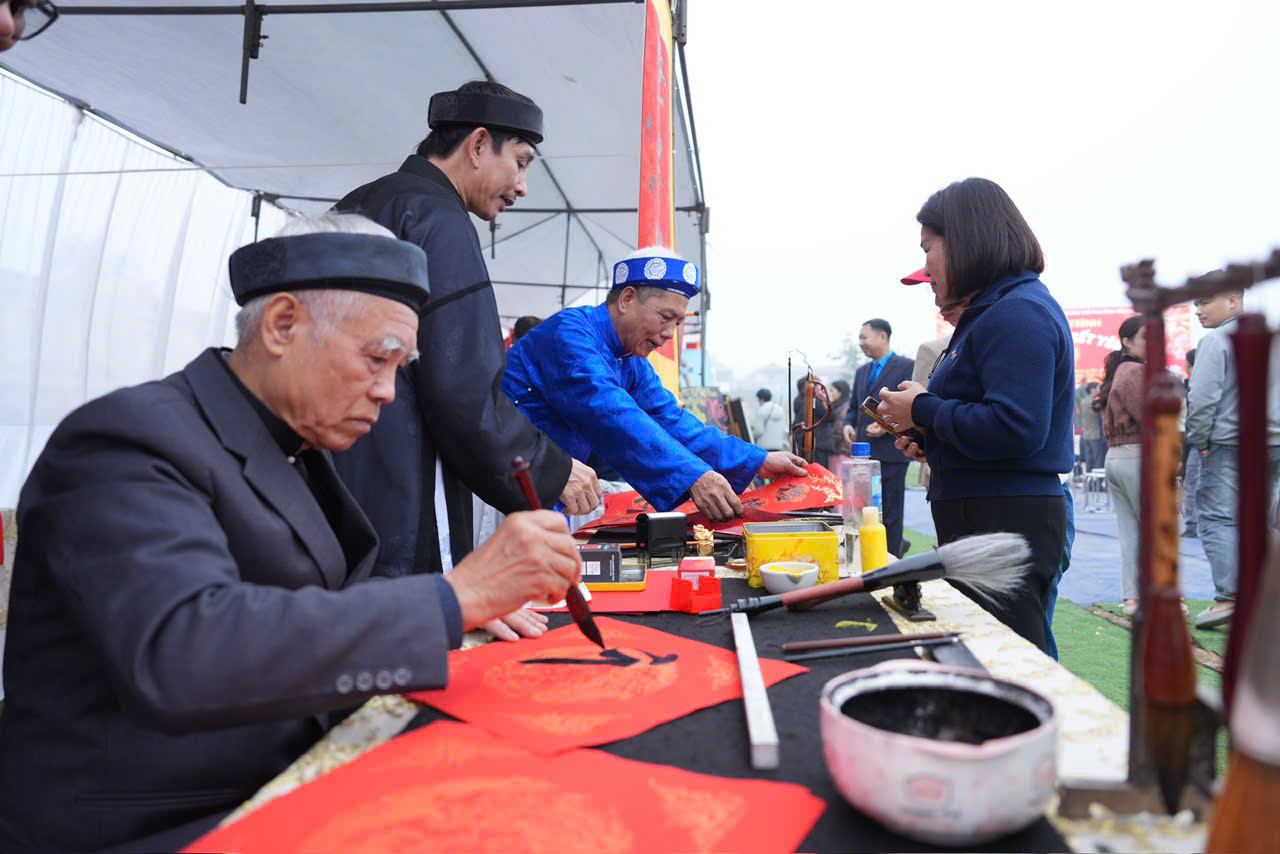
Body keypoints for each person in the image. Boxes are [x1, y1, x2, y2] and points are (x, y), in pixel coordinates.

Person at [0, 216, 584, 853]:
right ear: (282, 324)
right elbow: (187, 648)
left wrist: (454, 600)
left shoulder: (290, 444)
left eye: (400, 368)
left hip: (273, 776)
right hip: (156, 824)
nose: (389, 392)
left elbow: (299, 604)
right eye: (376, 358)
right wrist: (450, 600)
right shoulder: (125, 442)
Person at [329, 80, 601, 596]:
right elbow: (462, 384)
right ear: (477, 145)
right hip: (404, 482)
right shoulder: (439, 220)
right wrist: (549, 468)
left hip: (334, 474)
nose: (522, 186)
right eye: (520, 162)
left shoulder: (359, 202)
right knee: (423, 619)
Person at [878, 177, 1073, 655]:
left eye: (928, 248)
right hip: (983, 510)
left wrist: (923, 407)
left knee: (1012, 658)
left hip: (1006, 515)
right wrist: (932, 439)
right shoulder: (992, 313)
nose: (926, 267)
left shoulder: (1018, 312)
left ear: (965, 241)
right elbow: (988, 422)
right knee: (989, 654)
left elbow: (1016, 428)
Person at [503, 247, 808, 521]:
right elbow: (612, 413)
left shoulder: (630, 359)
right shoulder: (569, 335)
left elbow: (670, 418)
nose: (669, 334)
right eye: (665, 317)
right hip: (502, 489)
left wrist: (757, 459)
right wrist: (694, 475)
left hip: (550, 492)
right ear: (627, 299)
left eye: (677, 322)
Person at [1185, 289, 1280, 628]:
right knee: (1264, 523)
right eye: (1196, 303)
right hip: (1274, 444)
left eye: (1205, 302)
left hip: (1229, 442)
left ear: (1233, 301)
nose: (1198, 310)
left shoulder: (1216, 341)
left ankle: (1230, 599)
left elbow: (1201, 397)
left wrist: (1200, 440)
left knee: (1217, 519)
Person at [842, 318, 915, 557]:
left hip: (893, 452)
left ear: (883, 336)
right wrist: (848, 424)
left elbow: (912, 406)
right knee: (863, 511)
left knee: (891, 514)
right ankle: (866, 557)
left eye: (864, 337)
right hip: (862, 457)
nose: (861, 343)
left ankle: (891, 560)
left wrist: (887, 425)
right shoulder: (861, 372)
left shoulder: (907, 366)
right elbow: (854, 407)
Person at [1096, 315, 1146, 616]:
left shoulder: (1119, 372)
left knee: (1130, 533)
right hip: (1138, 456)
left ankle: (1133, 598)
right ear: (1126, 341)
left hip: (1117, 457)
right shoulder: (1136, 372)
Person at [1078, 381, 1107, 471]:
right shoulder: (1095, 402)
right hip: (1097, 435)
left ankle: (1089, 479)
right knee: (1099, 461)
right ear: (1092, 389)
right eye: (1098, 388)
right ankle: (1098, 480)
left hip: (1086, 434)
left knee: (1089, 461)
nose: (1100, 390)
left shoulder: (1083, 401)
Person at [826, 379, 853, 473]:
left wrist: (829, 443)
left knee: (840, 479)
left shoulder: (845, 408)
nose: (830, 393)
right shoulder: (837, 406)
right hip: (836, 450)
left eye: (832, 390)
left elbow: (838, 430)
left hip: (841, 451)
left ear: (840, 392)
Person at [752, 387, 788, 452]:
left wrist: (752, 436)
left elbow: (759, 431)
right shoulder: (781, 409)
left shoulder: (761, 410)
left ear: (761, 399)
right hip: (778, 446)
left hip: (764, 447)